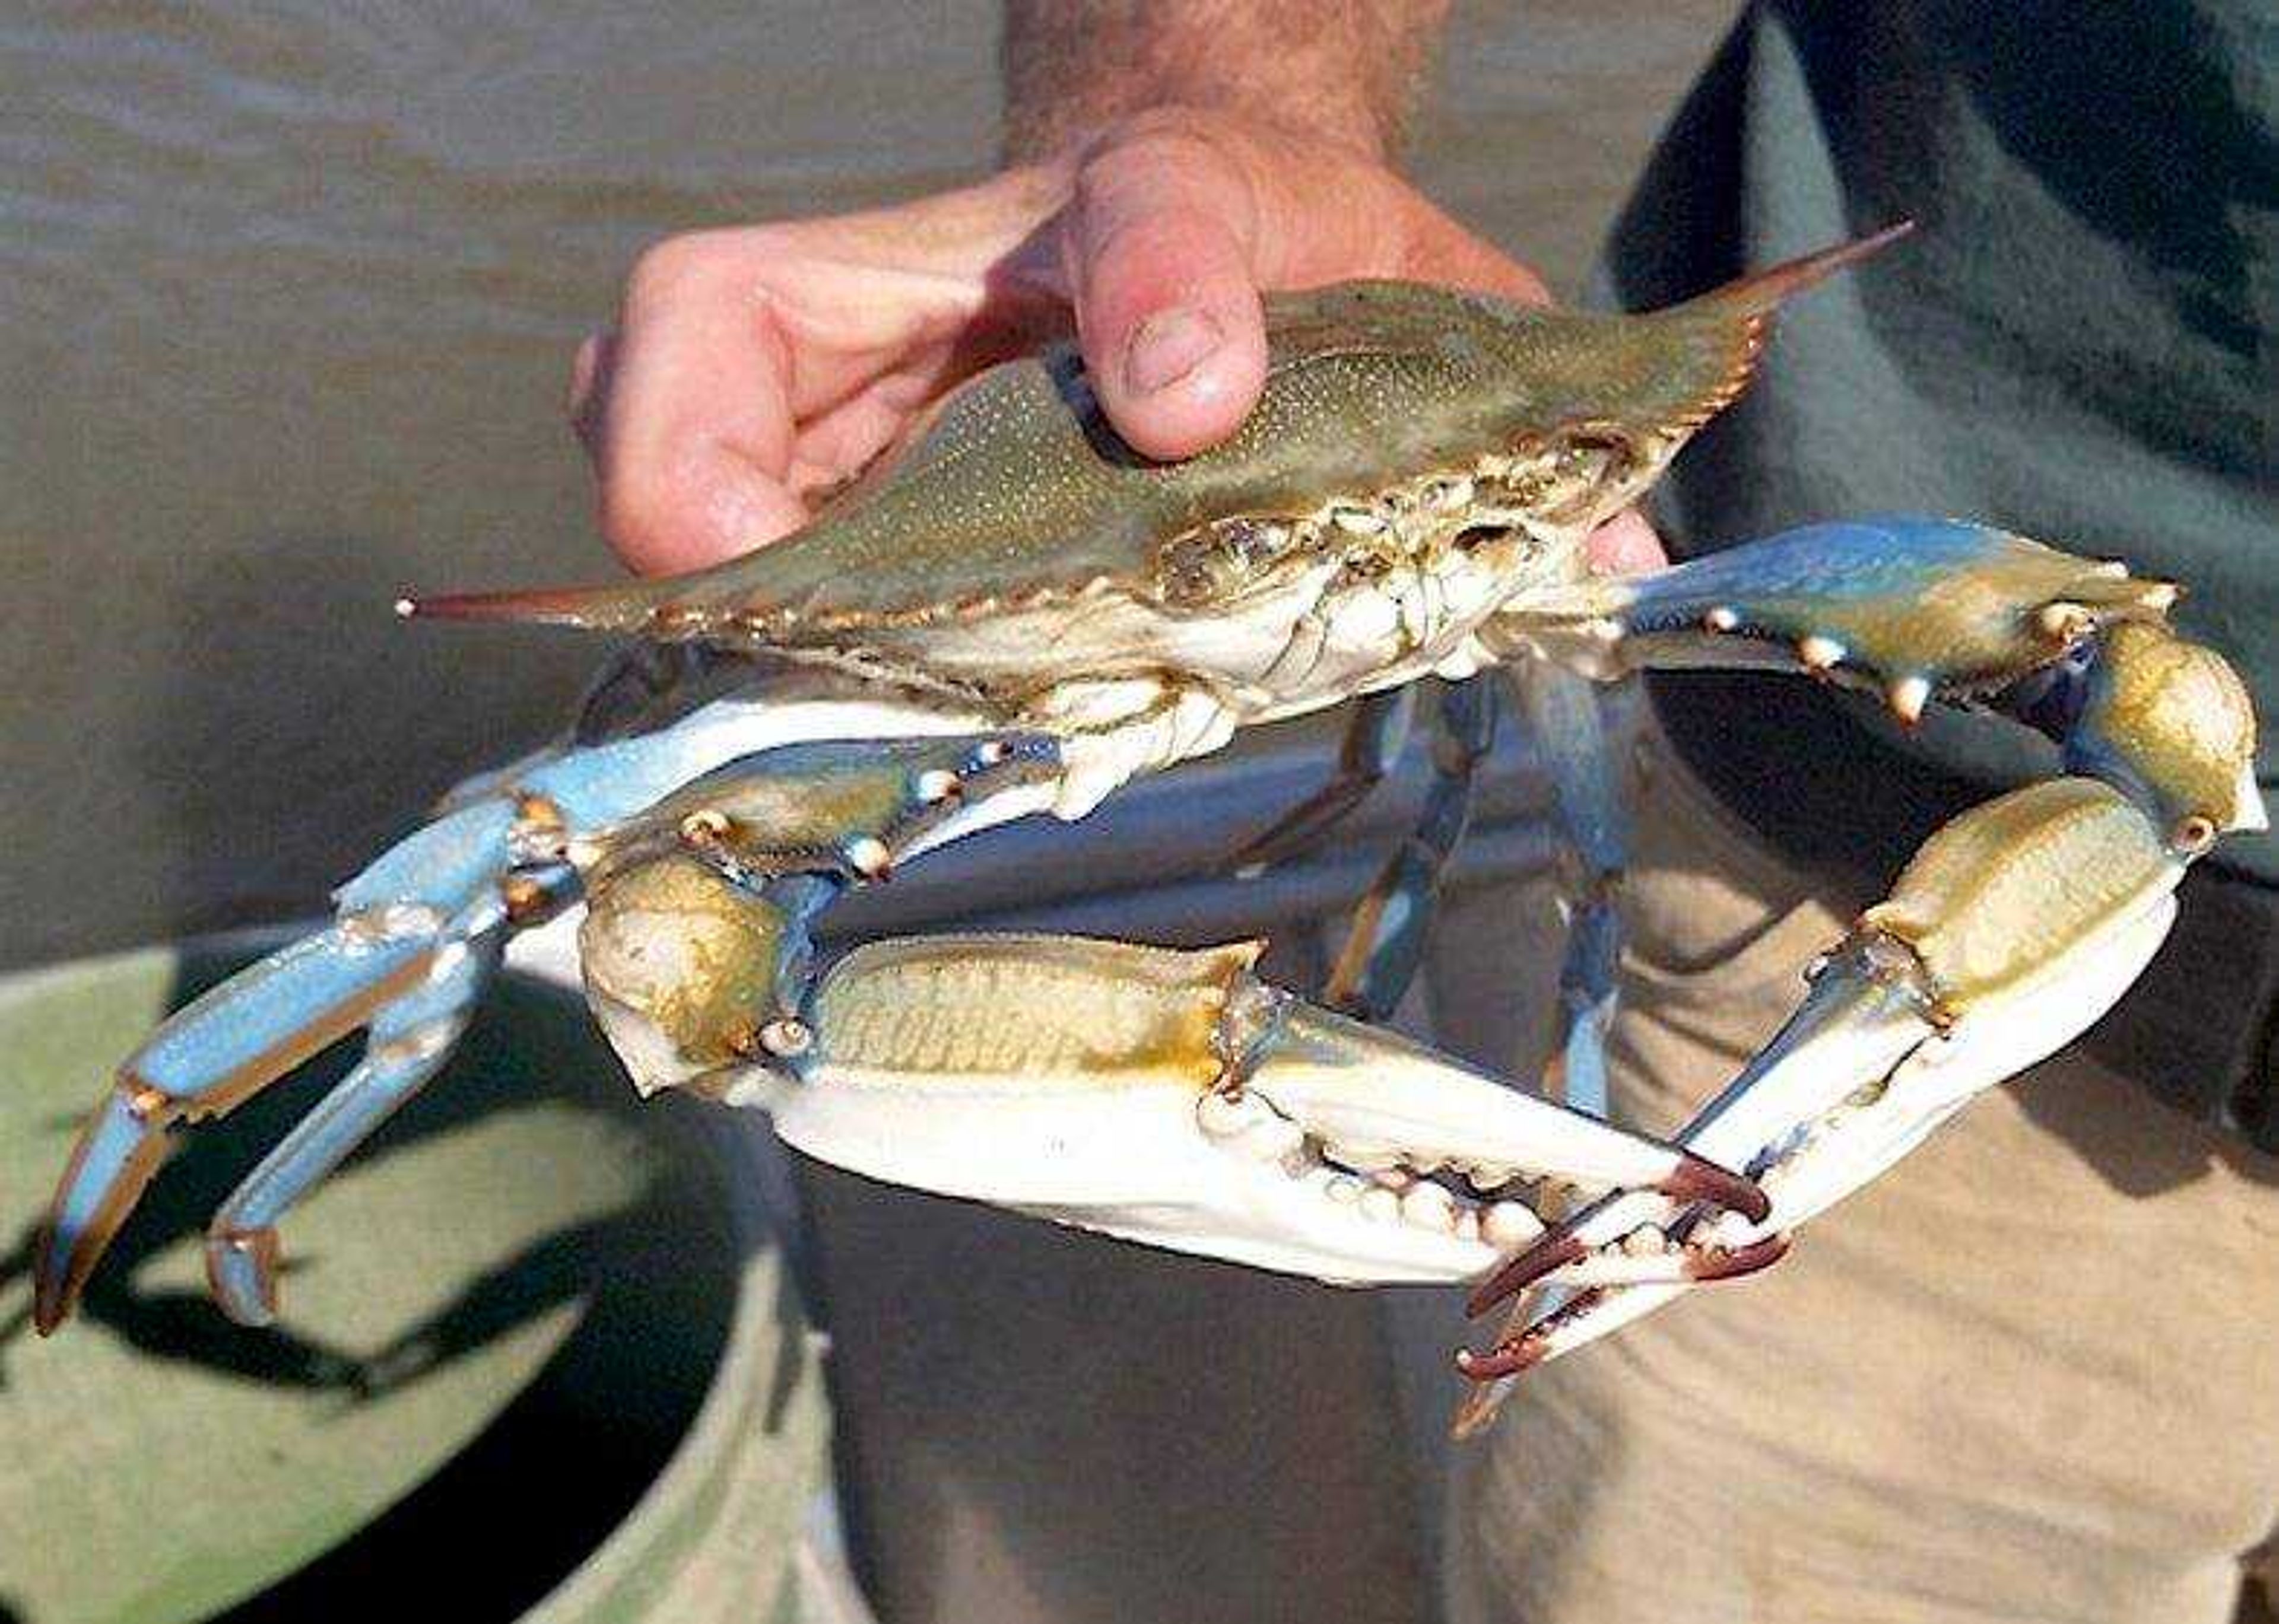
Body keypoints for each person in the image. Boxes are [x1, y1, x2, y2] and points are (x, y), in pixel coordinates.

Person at [569, 4, 2278, 1620]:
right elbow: (670, 942)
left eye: (1500, 512)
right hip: (1894, 926)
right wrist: (1198, 128)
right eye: (1237, 551)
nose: (1396, 587)